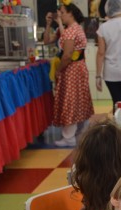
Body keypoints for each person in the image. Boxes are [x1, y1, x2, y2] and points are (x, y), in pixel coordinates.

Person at [43, 2, 94, 147]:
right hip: (78, 69)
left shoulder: (71, 31)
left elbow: (67, 55)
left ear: (71, 13)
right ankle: (77, 130)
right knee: (78, 99)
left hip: (71, 69)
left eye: (63, 12)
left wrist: (58, 69)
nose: (61, 15)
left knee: (69, 100)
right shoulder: (74, 29)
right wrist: (48, 25)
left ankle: (69, 135)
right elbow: (47, 40)